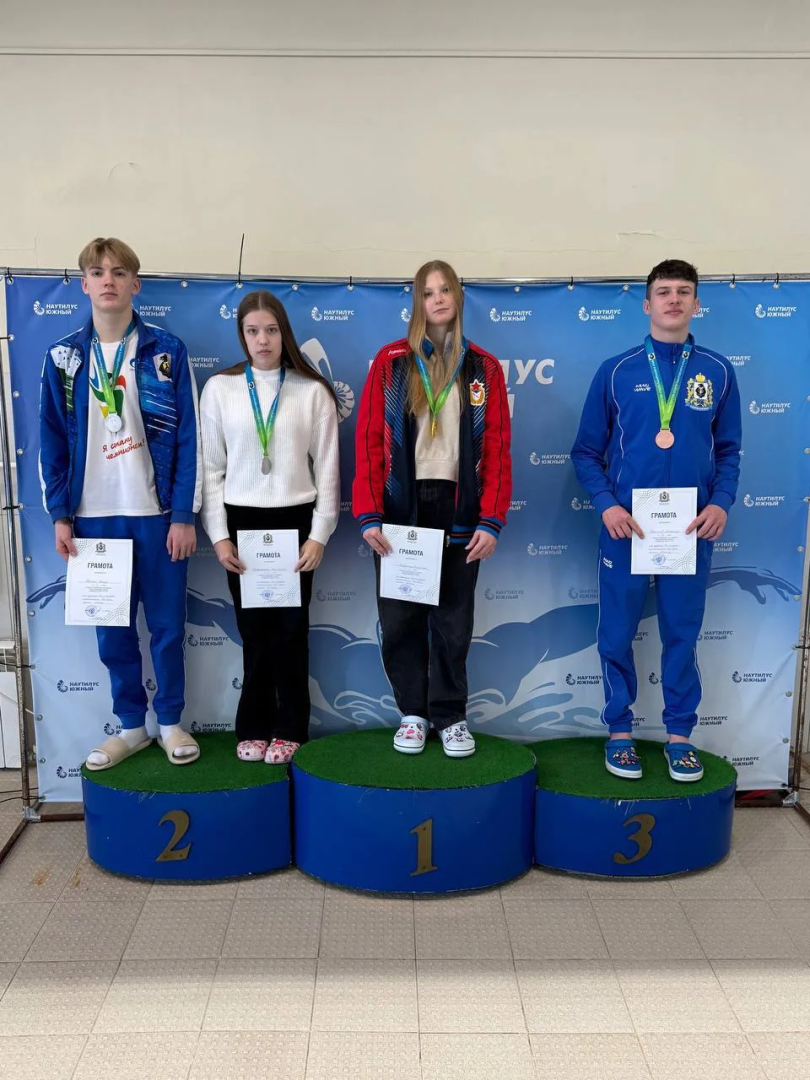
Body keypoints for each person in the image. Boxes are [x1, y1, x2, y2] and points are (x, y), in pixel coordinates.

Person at [571, 258, 741, 781]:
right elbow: (585, 452)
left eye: (683, 291)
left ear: (696, 304)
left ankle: (680, 736)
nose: (673, 299)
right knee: (616, 633)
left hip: (689, 529)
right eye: (664, 291)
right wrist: (607, 503)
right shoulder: (617, 371)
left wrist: (720, 502)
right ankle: (619, 732)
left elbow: (729, 450)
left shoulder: (717, 371)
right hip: (627, 527)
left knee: (682, 633)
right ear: (647, 304)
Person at [40, 237, 202, 769]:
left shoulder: (166, 352)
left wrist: (183, 514)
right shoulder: (63, 358)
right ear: (83, 285)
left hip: (156, 516)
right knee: (112, 633)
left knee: (167, 628)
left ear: (136, 284)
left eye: (117, 272)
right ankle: (132, 726)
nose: (107, 280)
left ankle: (171, 722)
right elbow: (51, 441)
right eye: (96, 272)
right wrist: (60, 515)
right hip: (92, 519)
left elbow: (188, 439)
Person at [353, 260, 511, 758]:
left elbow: (498, 449)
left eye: (445, 290)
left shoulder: (483, 367)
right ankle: (413, 714)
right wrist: (369, 512)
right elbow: (369, 442)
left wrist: (491, 519)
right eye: (428, 292)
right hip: (401, 504)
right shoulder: (391, 362)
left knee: (453, 619)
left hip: (459, 505)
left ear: (458, 297)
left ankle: (450, 715)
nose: (438, 299)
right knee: (400, 618)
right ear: (417, 302)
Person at [200, 290, 340, 764]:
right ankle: (254, 725)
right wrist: (219, 536)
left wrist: (319, 535)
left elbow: (328, 471)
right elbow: (211, 470)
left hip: (294, 521)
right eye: (252, 331)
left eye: (271, 330)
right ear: (241, 335)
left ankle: (291, 727)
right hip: (242, 522)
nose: (262, 340)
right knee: (253, 630)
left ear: (284, 333)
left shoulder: (312, 391)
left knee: (291, 631)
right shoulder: (219, 389)